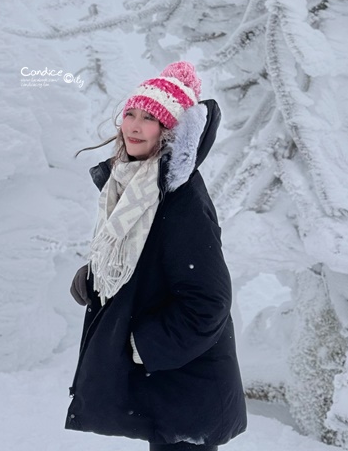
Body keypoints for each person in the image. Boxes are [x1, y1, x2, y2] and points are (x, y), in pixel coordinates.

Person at [65, 61, 247, 450]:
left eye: (149, 118)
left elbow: (208, 302)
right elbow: (146, 262)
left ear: (169, 130)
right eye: (130, 113)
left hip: (189, 389)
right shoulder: (136, 185)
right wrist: (95, 276)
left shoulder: (182, 201)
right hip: (169, 386)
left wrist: (140, 345)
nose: (133, 126)